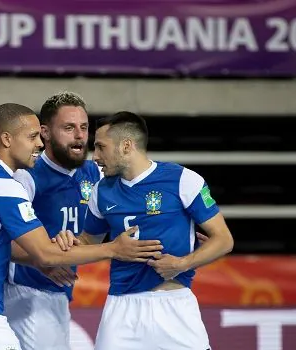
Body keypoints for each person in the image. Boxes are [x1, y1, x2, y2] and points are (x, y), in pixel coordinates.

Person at [0, 103, 160, 350]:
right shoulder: (6, 186)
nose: (39, 144)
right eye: (32, 137)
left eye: (84, 127)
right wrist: (114, 249)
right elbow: (45, 254)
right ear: (7, 139)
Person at [58, 111, 234, 349]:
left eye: (101, 147)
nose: (95, 156)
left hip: (175, 306)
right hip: (122, 308)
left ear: (126, 146)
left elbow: (224, 240)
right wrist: (67, 242)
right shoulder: (101, 191)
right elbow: (89, 240)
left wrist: (183, 263)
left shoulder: (183, 179)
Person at [4, 92, 163, 350]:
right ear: (44, 132)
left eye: (84, 127)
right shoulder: (27, 177)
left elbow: (137, 189)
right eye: (68, 128)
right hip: (26, 292)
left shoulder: (95, 172)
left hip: (58, 292)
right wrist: (41, 259)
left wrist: (181, 229)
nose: (79, 136)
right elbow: (2, 239)